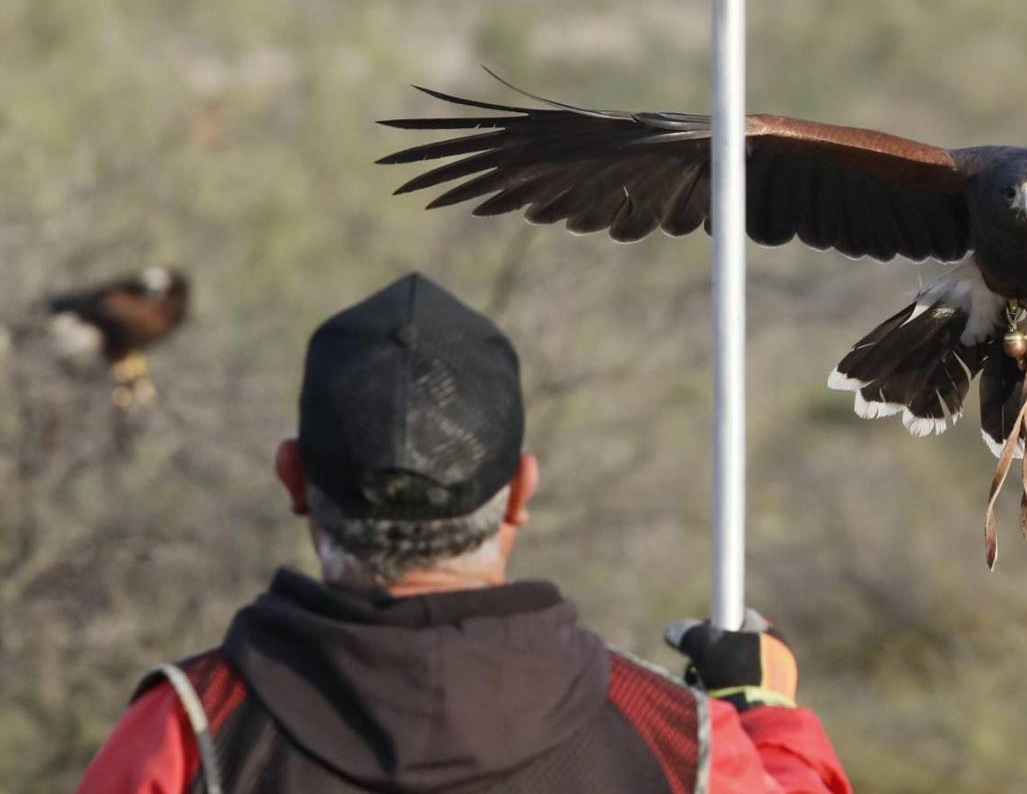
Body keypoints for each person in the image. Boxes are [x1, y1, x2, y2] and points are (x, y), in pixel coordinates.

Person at [76, 273, 852, 793]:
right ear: (520, 490)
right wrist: (763, 718)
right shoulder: (680, 742)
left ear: (292, 479)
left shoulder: (190, 734)